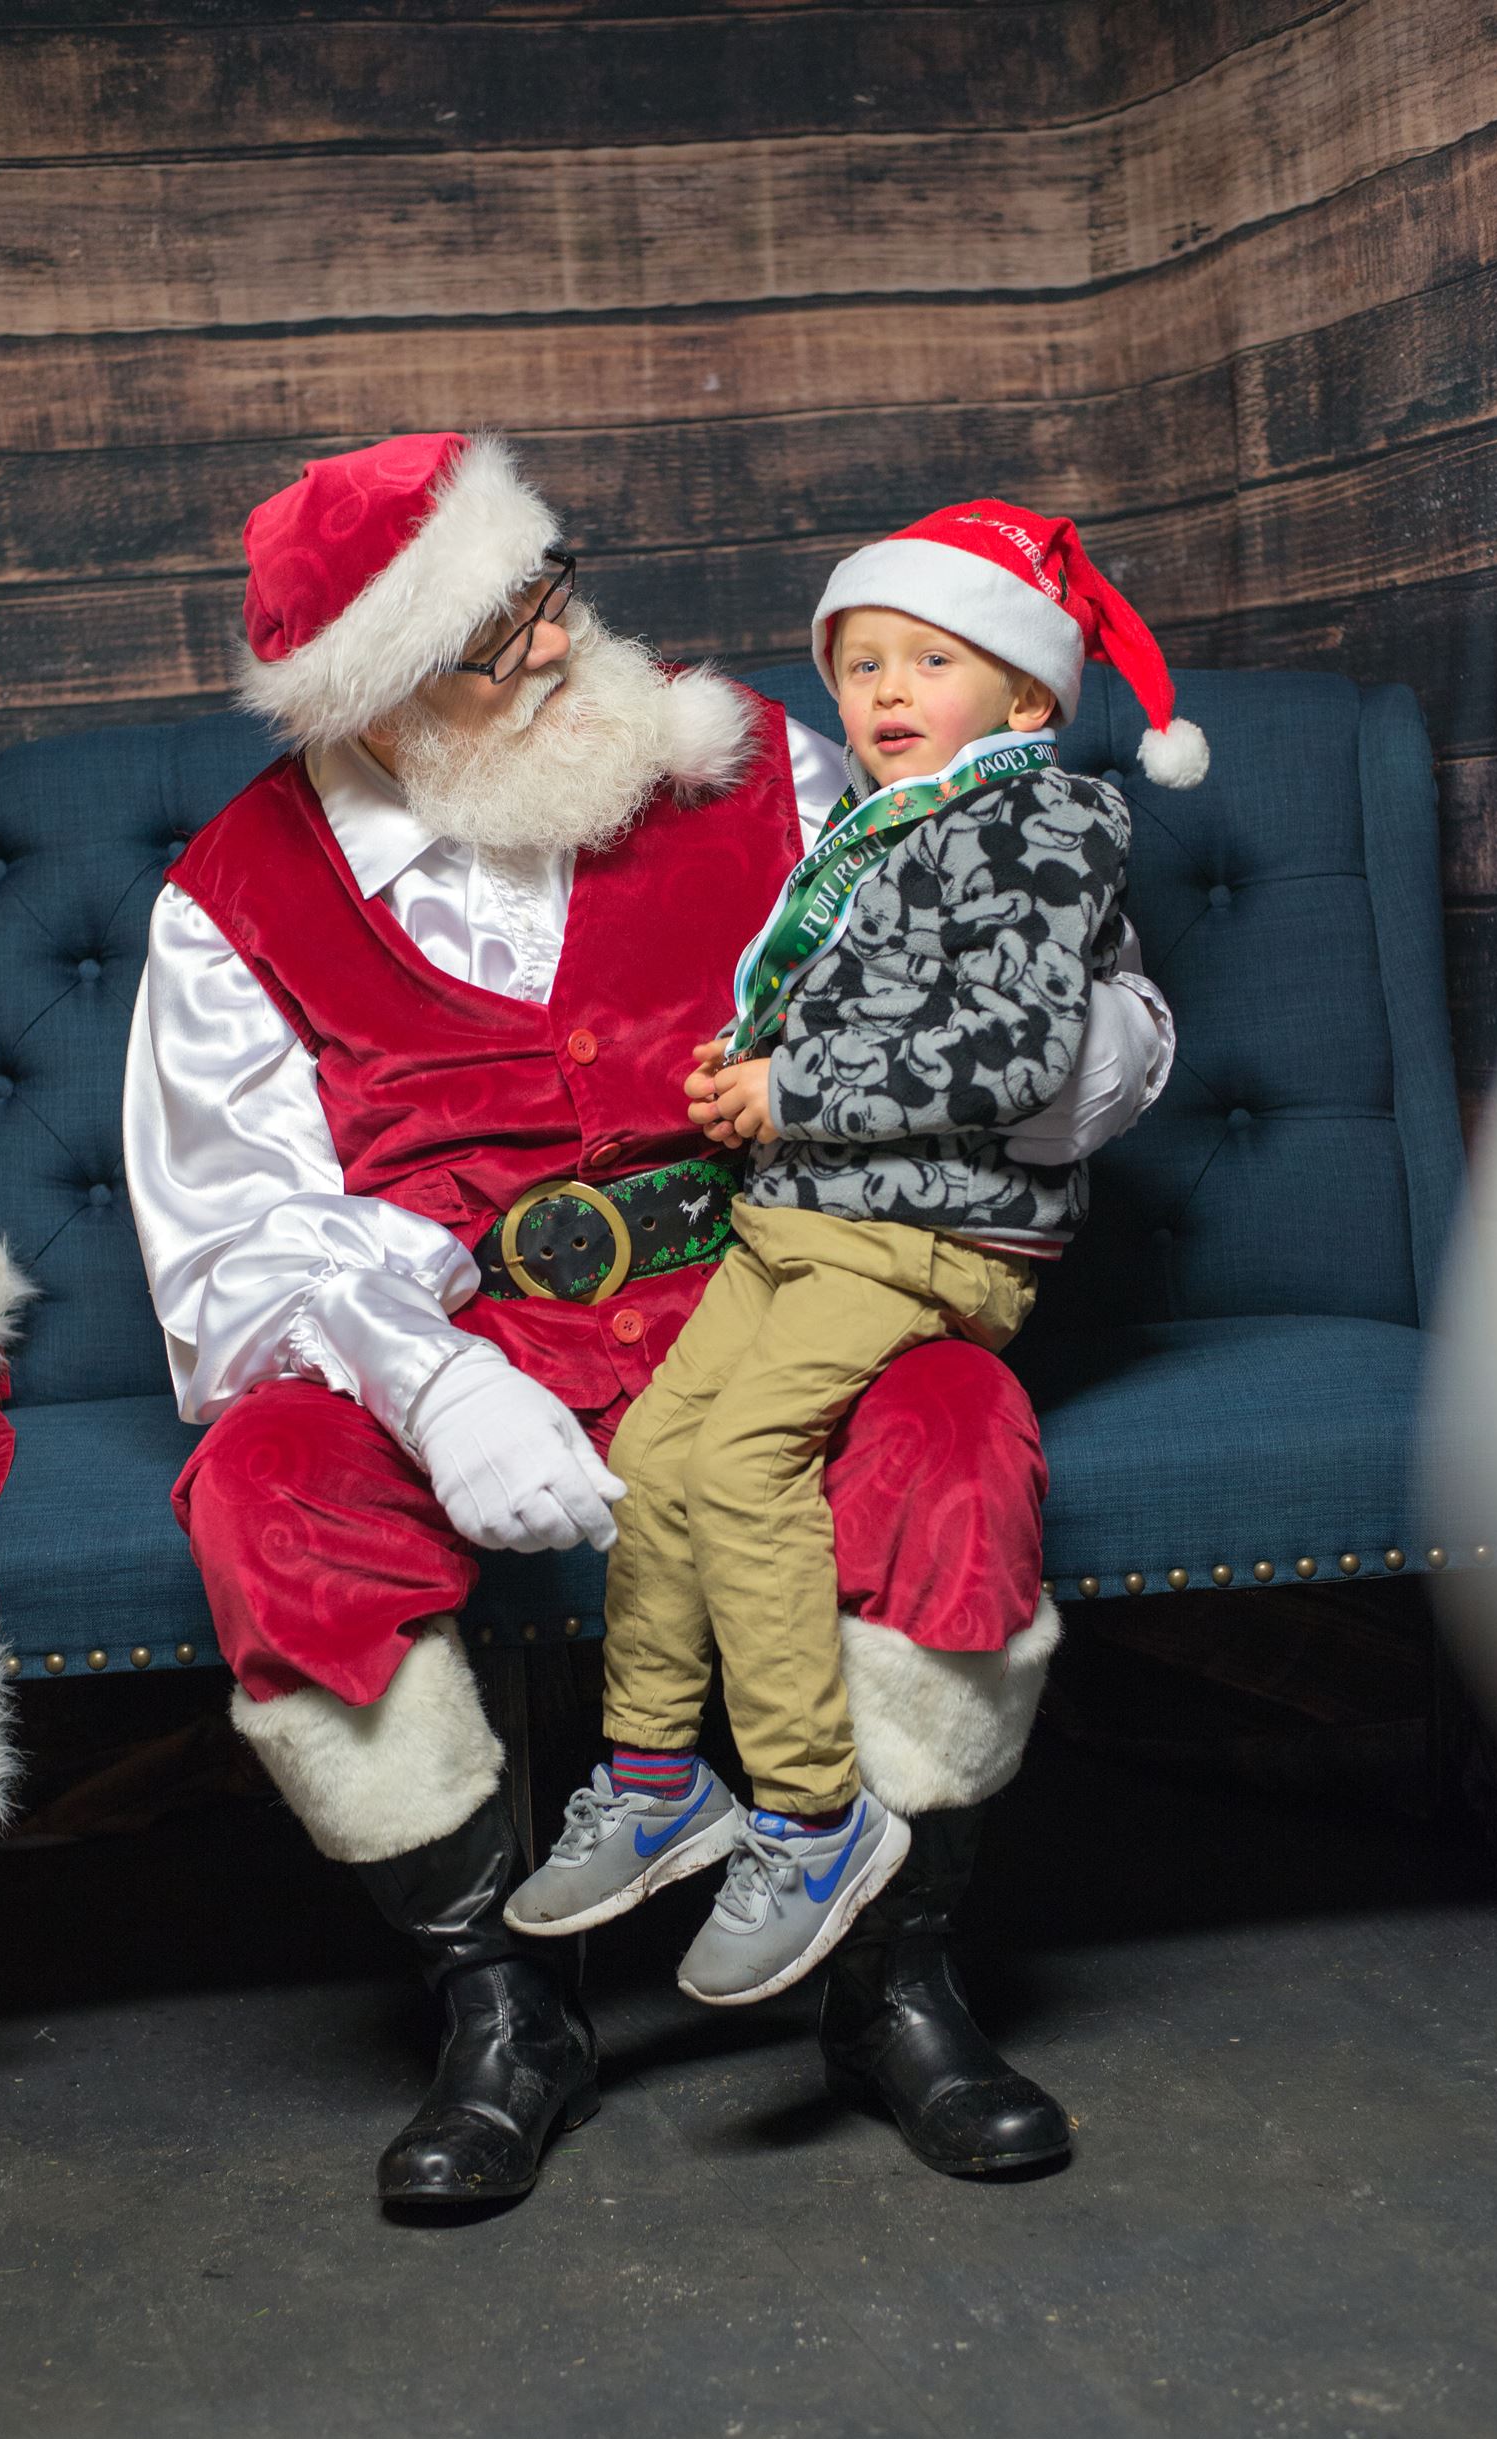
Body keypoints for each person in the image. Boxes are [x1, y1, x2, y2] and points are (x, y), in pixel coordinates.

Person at [122, 436, 1175, 2206]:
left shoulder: (760, 760)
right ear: (372, 695)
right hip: (463, 1328)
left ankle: (888, 1976)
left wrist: (1055, 1062)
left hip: (786, 1265)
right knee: (265, 1492)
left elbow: (1055, 985)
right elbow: (231, 1247)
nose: (554, 644)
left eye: (549, 590)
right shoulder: (230, 897)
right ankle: (502, 2005)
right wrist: (437, 1386)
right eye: (494, 638)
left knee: (952, 1431)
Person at [506, 502, 1206, 2043]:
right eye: (862, 662)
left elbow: (1017, 1050)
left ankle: (813, 1819)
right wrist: (743, 1077)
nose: (887, 690)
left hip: (925, 1234)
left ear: (1025, 692)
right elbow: (863, 1003)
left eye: (931, 660)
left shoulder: (1043, 821)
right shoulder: (883, 824)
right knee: (656, 1457)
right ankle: (652, 1778)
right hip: (799, 1217)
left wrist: (799, 1088)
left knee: (744, 1463)